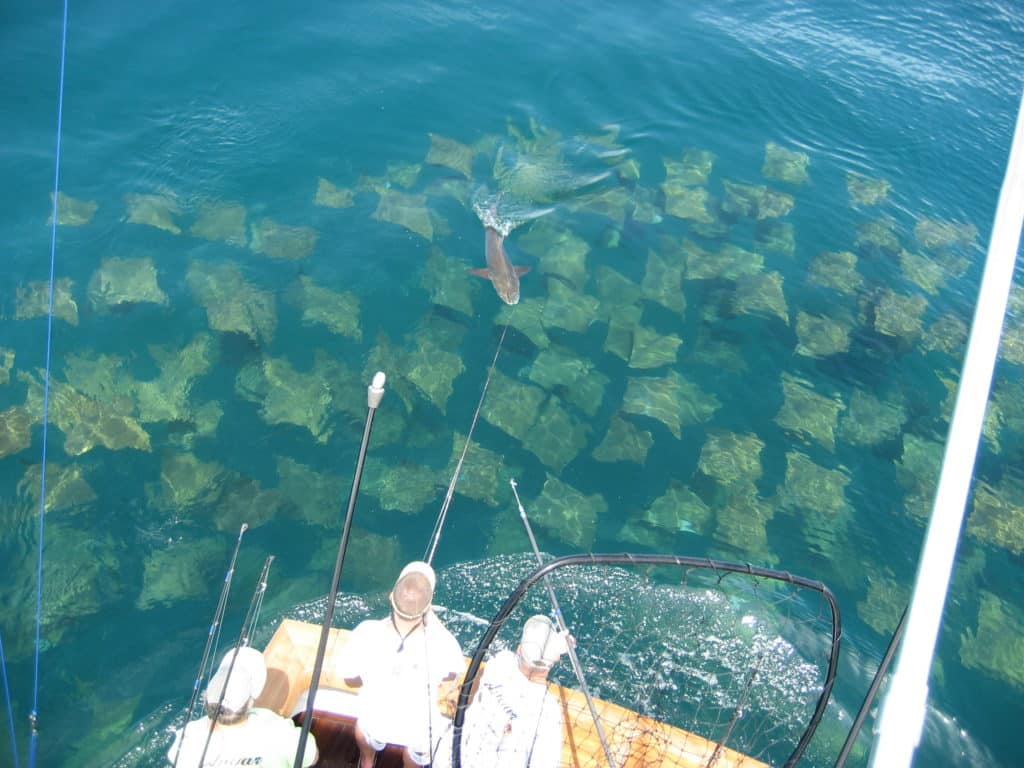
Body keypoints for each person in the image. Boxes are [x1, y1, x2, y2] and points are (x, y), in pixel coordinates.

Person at [337, 561, 466, 768]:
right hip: (417, 729)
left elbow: (349, 679)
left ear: (391, 596)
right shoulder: (444, 643)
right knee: (419, 751)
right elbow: (451, 676)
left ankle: (368, 761)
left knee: (363, 729)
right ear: (429, 606)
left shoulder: (366, 632)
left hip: (375, 720)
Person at [166, 646, 318, 768]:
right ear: (251, 701)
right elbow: (312, 758)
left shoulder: (187, 737)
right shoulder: (279, 730)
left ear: (206, 700)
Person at [456, 615, 571, 768]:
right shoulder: (548, 710)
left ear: (519, 649)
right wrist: (557, 649)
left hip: (459, 756)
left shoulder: (499, 661)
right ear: (555, 660)